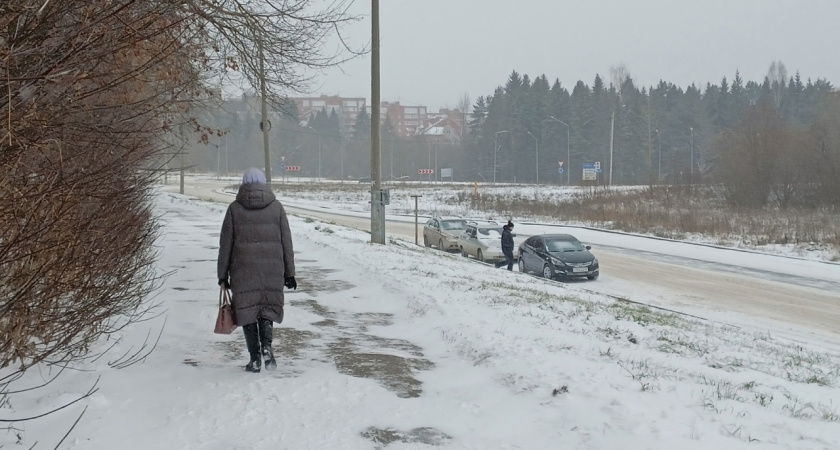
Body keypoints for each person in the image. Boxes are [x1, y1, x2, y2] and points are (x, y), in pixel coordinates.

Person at [218, 168, 296, 373]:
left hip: (243, 270)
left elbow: (226, 244)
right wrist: (290, 273)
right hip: (272, 269)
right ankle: (267, 348)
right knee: (266, 308)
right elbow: (286, 242)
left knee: (248, 311)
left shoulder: (234, 209)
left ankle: (254, 359)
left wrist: (222, 275)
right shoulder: (276, 207)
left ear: (243, 184)